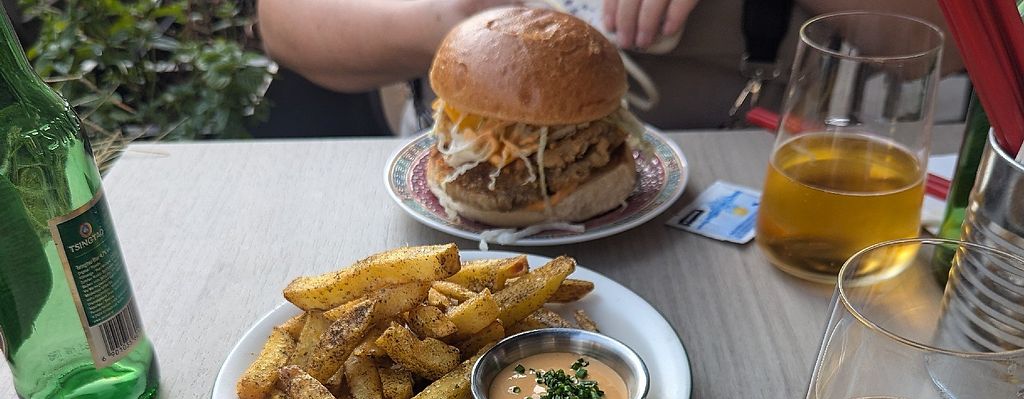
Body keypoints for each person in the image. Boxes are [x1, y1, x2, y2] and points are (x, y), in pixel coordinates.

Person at [255, 0, 960, 134]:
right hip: (453, 188)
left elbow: (952, 46)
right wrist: (463, 23)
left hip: (738, 186)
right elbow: (286, 25)